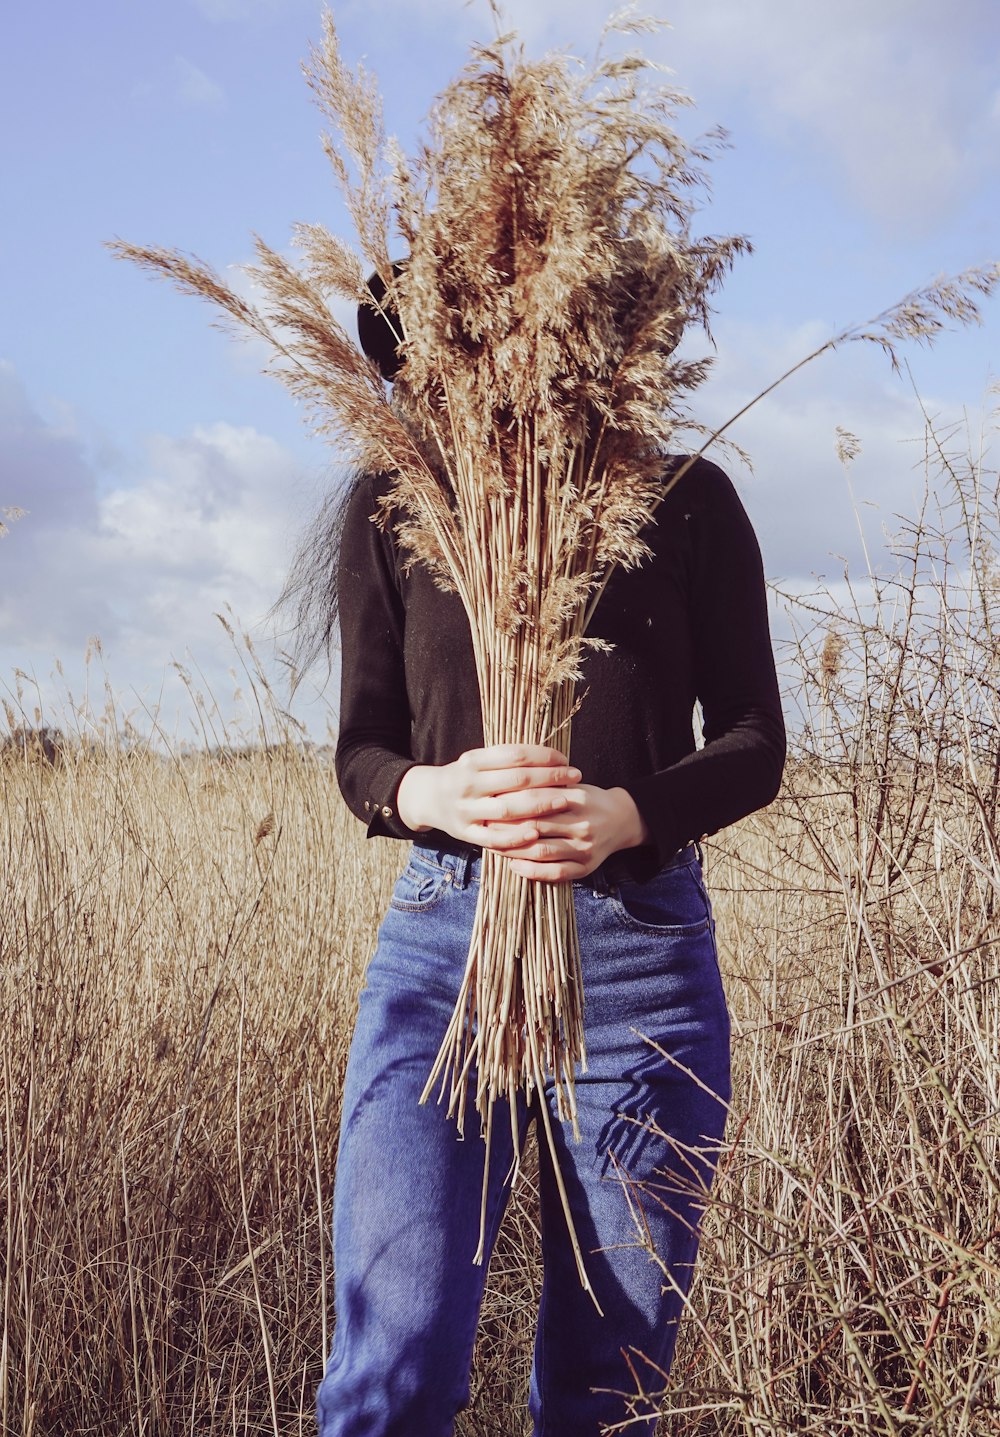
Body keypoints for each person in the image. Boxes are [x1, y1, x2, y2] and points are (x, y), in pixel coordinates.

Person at [309, 286, 786, 1437]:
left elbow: (754, 743)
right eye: (472, 328)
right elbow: (361, 748)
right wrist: (428, 791)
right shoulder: (396, 505)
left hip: (640, 962)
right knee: (395, 1367)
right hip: (441, 949)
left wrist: (631, 813)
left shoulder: (687, 498)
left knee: (604, 1391)